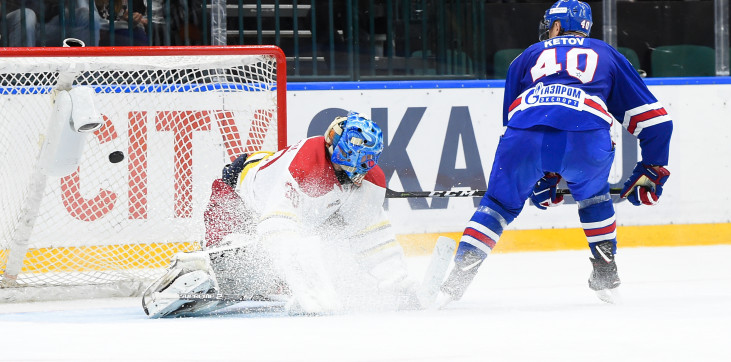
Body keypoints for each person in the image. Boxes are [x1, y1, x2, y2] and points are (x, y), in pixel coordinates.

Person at [436, 0, 673, 307]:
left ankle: (455, 282)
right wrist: (653, 167)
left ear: (557, 26)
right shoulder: (605, 54)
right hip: (587, 137)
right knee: (594, 198)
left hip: (525, 136)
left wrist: (544, 172)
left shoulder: (524, 58)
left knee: (496, 206)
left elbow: (515, 124)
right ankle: (605, 273)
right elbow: (656, 122)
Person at [142, 111, 420, 317]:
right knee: (225, 259)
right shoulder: (306, 162)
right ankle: (192, 271)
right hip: (237, 193)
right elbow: (277, 225)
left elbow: (371, 234)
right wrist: (306, 286)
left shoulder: (369, 180)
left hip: (282, 208)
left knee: (275, 275)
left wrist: (396, 280)